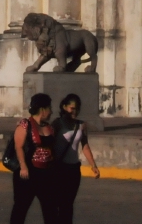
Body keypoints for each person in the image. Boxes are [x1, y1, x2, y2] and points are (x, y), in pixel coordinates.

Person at [50, 94, 101, 224]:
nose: (74, 111)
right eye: (72, 108)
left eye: (77, 108)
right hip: (59, 168)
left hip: (73, 169)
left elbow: (85, 146)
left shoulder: (81, 125)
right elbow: (48, 143)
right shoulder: (57, 124)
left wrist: (93, 165)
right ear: (64, 107)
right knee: (59, 203)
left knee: (68, 203)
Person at [11, 93, 59, 223]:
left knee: (50, 209)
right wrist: (23, 167)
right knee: (21, 207)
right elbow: (18, 147)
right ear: (42, 109)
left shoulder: (49, 127)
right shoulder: (25, 124)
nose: (51, 111)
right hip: (29, 173)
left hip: (46, 173)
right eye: (49, 108)